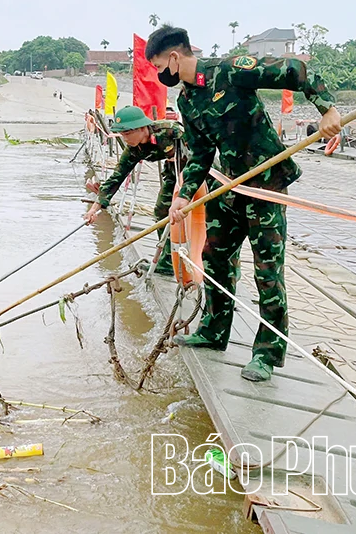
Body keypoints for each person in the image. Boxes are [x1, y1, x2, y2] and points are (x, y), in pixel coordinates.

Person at [145, 25, 341, 382]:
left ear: (174, 57)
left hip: (266, 185)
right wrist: (185, 196)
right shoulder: (187, 101)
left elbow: (297, 70)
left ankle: (266, 354)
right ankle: (214, 331)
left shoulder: (231, 69)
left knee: (267, 269)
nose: (160, 76)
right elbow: (200, 152)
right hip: (228, 184)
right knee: (215, 258)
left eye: (159, 66)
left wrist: (327, 110)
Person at [84, 105, 185, 276]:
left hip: (200, 171)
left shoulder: (170, 131)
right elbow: (116, 177)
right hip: (173, 173)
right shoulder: (134, 149)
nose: (125, 139)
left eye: (128, 133)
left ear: (141, 128)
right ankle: (167, 263)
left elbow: (202, 151)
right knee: (161, 211)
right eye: (122, 134)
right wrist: (94, 210)